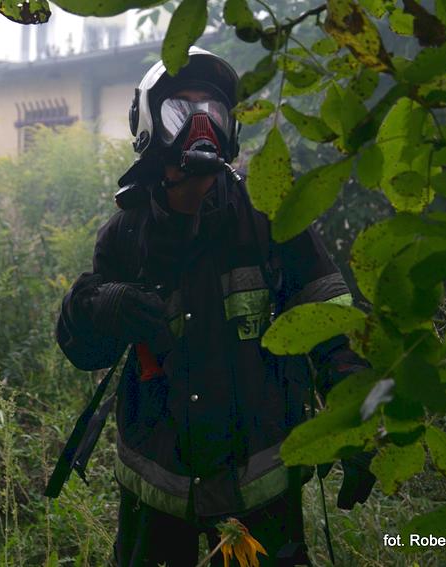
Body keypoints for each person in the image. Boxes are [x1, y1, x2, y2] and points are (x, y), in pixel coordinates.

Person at [55, 47, 374, 567]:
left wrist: (355, 420)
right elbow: (84, 350)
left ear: (231, 129)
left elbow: (333, 326)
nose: (202, 125)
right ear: (150, 129)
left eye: (215, 112)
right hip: (157, 490)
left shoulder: (271, 219)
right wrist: (99, 306)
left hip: (260, 487)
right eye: (182, 111)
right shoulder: (125, 235)